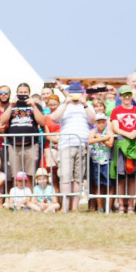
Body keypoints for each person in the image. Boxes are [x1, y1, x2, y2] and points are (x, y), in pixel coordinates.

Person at [47, 81, 96, 212]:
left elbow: (93, 120)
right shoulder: (64, 106)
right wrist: (65, 103)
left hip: (82, 144)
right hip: (66, 145)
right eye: (72, 92)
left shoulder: (86, 106)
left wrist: (85, 103)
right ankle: (65, 206)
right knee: (65, 176)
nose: (75, 95)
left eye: (77, 93)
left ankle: (74, 207)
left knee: (77, 178)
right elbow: (54, 118)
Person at [0, 83, 47, 179]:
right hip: (14, 145)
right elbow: (2, 121)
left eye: (25, 92)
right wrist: (11, 106)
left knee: (31, 175)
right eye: (20, 92)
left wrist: (33, 105)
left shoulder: (35, 105)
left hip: (31, 145)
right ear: (16, 93)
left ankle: (30, 194)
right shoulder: (10, 105)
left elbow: (42, 122)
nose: (23, 94)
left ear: (29, 93)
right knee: (16, 175)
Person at [110, 85, 136, 213]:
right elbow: (115, 127)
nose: (127, 97)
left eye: (129, 95)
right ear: (120, 96)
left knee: (132, 177)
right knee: (121, 177)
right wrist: (127, 134)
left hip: (135, 146)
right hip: (121, 145)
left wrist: (135, 132)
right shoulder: (116, 111)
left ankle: (130, 205)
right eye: (124, 95)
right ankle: (121, 205)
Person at [87, 112, 114, 212]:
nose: (101, 124)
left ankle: (109, 207)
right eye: (99, 122)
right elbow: (89, 141)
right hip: (96, 161)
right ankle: (100, 207)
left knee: (109, 185)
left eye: (103, 122)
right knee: (98, 185)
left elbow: (110, 143)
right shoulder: (93, 131)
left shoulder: (108, 131)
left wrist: (99, 138)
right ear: (95, 123)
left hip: (107, 161)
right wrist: (104, 138)